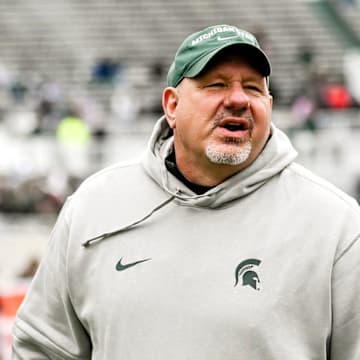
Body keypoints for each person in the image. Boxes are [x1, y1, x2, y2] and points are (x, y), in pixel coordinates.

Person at [12, 24, 360, 359]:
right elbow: (43, 348)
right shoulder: (93, 207)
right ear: (172, 105)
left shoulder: (336, 226)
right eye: (216, 85)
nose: (238, 99)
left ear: (269, 104)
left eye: (253, 88)